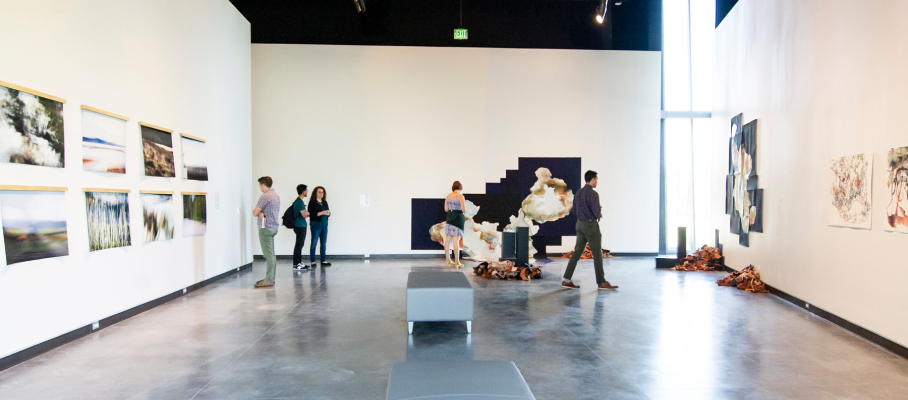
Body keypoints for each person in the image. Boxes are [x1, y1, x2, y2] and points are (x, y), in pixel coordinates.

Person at [562, 170, 618, 290]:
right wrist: (598, 215)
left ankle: (566, 279)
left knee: (577, 253)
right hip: (590, 225)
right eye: (596, 179)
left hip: (579, 224)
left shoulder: (578, 193)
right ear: (592, 179)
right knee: (597, 253)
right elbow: (596, 212)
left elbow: (574, 211)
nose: (597, 181)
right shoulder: (593, 194)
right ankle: (601, 282)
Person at [253, 176, 280, 288]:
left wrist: (259, 212)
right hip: (273, 228)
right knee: (271, 254)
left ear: (263, 184)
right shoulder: (275, 196)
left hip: (265, 229)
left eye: (260, 185)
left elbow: (254, 212)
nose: (259, 187)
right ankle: (270, 278)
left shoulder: (265, 196)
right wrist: (262, 212)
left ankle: (269, 279)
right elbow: (269, 210)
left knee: (268, 255)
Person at [444, 181, 466, 268]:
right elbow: (464, 210)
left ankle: (448, 259)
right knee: (456, 241)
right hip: (457, 220)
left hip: (449, 219)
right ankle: (457, 261)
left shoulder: (448, 196)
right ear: (460, 189)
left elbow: (446, 209)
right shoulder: (460, 196)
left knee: (447, 241)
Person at [308, 186, 331, 268]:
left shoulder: (325, 202)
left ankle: (323, 260)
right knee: (314, 243)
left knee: (323, 243)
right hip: (316, 225)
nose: (321, 194)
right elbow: (311, 214)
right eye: (319, 192)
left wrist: (328, 213)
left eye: (322, 192)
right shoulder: (312, 202)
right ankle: (313, 261)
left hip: (324, 225)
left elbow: (328, 212)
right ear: (315, 193)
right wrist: (322, 213)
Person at [292, 184, 311, 270]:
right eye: (306, 190)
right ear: (303, 191)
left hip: (300, 225)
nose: (307, 192)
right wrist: (308, 213)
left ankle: (298, 263)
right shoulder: (299, 202)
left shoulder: (299, 201)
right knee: (299, 245)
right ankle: (296, 264)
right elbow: (304, 214)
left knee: (300, 244)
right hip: (300, 225)